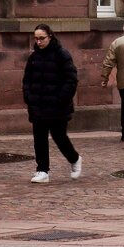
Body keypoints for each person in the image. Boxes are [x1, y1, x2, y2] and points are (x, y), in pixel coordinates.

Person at [22, 24, 82, 183]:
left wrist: (61, 98)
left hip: (57, 106)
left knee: (59, 136)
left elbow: (71, 79)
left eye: (42, 38)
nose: (39, 42)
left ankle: (74, 159)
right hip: (38, 104)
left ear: (50, 37)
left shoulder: (61, 55)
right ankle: (42, 170)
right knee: (39, 138)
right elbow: (27, 79)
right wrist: (28, 96)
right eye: (36, 38)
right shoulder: (34, 57)